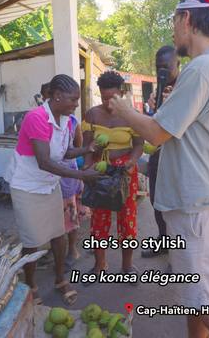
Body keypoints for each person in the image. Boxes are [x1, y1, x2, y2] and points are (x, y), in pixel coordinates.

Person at [109, 0, 209, 338]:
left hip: (196, 206)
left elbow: (156, 134)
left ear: (187, 20)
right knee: (197, 299)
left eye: (173, 22)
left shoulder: (200, 69)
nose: (173, 30)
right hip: (204, 200)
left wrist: (123, 110)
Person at [5, 74, 100, 305]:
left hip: (49, 184)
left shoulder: (66, 120)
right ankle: (31, 284)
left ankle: (59, 279)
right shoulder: (36, 118)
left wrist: (87, 149)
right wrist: (82, 175)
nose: (77, 104)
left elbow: (64, 152)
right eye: (73, 99)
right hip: (27, 186)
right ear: (57, 96)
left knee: (59, 234)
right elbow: (45, 161)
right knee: (32, 240)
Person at [82, 70, 144, 277]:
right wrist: (88, 168)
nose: (109, 103)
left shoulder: (131, 115)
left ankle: (127, 266)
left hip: (125, 172)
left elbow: (138, 145)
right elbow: (86, 147)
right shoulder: (92, 114)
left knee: (127, 219)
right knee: (99, 218)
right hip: (100, 171)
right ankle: (100, 265)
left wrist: (131, 162)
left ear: (121, 93)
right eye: (104, 97)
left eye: (113, 98)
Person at [141, 45, 180, 258]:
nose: (161, 72)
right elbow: (152, 123)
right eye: (158, 68)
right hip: (158, 155)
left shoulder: (187, 87)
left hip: (178, 159)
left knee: (175, 210)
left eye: (166, 67)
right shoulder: (158, 89)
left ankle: (177, 254)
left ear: (178, 65)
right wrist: (152, 107)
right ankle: (163, 242)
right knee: (157, 202)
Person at [60, 114, 91, 271]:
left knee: (70, 215)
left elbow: (78, 148)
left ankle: (72, 250)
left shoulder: (72, 122)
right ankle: (58, 251)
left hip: (68, 175)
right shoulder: (42, 119)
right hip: (48, 176)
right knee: (55, 217)